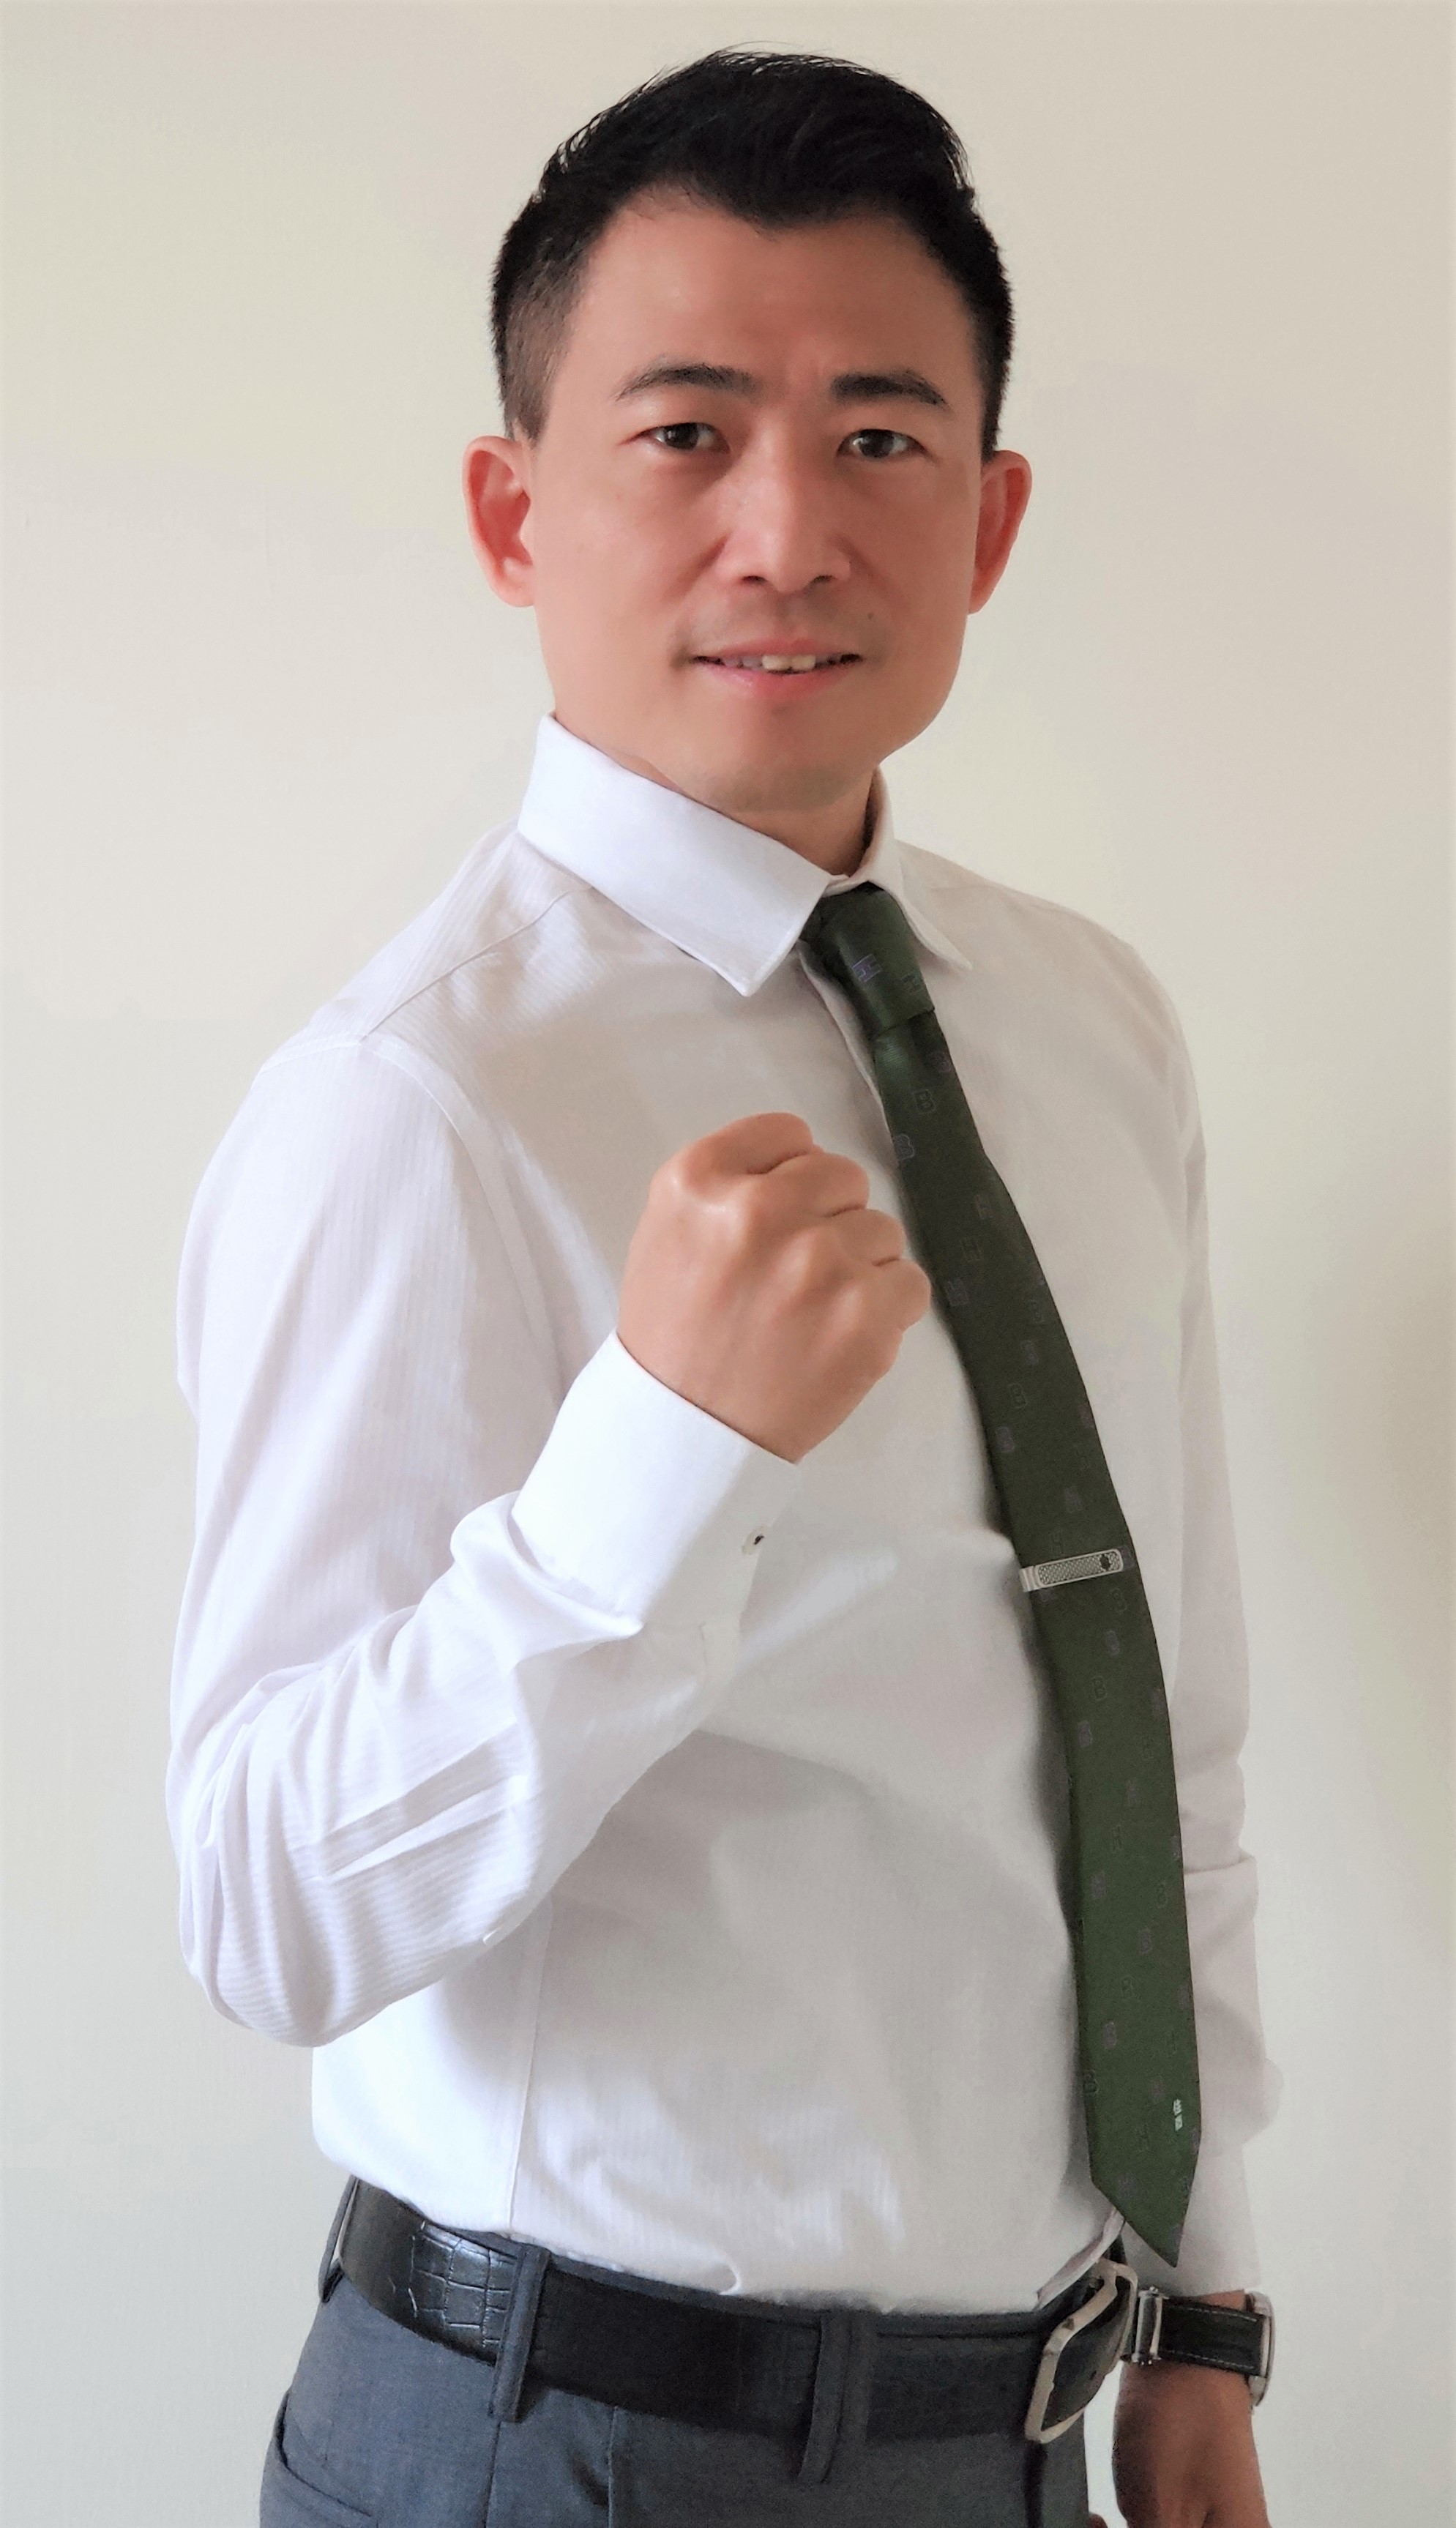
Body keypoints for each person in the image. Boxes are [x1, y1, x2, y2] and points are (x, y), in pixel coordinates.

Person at [167, 45, 1282, 2528]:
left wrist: (1204, 2302)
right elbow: (261, 1909)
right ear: (514, 510)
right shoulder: (416, 1100)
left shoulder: (1089, 1025)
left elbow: (1159, 1717)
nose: (789, 531)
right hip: (564, 2452)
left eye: (881, 439)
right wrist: (658, 1458)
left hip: (1026, 2433)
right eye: (686, 433)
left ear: (989, 521)